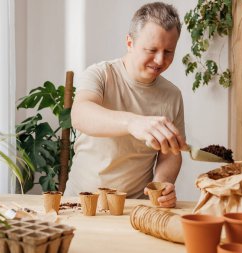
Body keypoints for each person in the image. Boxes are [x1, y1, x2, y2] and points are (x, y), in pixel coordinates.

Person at [64, 2, 188, 208]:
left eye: (168, 52)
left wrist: (162, 183)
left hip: (134, 206)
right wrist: (133, 122)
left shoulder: (172, 95)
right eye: (152, 49)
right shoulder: (100, 74)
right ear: (129, 43)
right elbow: (80, 114)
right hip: (81, 202)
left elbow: (170, 155)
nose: (159, 60)